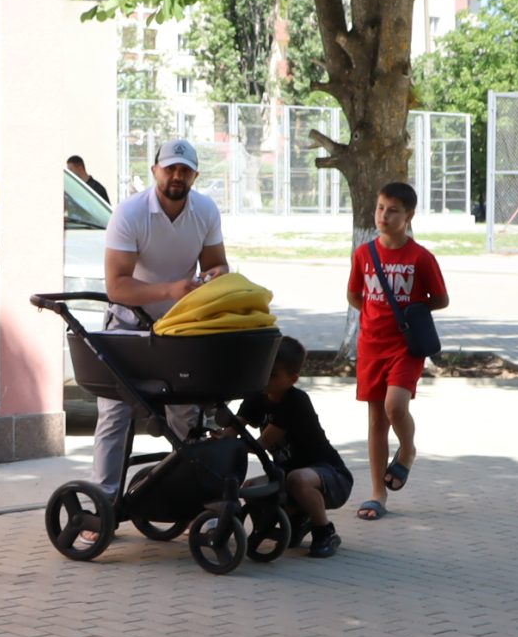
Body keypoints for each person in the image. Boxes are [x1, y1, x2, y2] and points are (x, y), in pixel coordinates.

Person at [94, 139, 227, 507]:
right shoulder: (131, 212)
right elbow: (117, 287)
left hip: (179, 327)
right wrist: (171, 290)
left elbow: (217, 264)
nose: (177, 176)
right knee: (115, 412)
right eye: (170, 168)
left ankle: (190, 498)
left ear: (195, 175)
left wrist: (215, 276)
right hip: (128, 324)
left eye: (185, 170)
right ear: (155, 171)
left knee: (186, 411)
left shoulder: (205, 210)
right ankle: (102, 503)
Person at [346, 180, 448, 522]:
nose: (383, 216)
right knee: (377, 420)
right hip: (371, 346)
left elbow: (441, 298)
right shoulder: (364, 254)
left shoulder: (421, 257)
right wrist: (375, 317)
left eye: (393, 211)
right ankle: (378, 493)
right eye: (380, 208)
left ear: (409, 216)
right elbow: (355, 295)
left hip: (406, 346)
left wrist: (412, 313)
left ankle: (407, 450)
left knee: (395, 406)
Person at [236, 336, 352, 557]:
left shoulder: (296, 401)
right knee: (250, 488)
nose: (265, 379)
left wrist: (231, 444)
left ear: (293, 379)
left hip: (332, 477)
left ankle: (324, 531)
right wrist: (218, 439)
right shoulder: (257, 396)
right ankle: (287, 524)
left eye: (273, 375)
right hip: (288, 476)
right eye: (263, 371)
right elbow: (234, 427)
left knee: (297, 479)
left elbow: (262, 444)